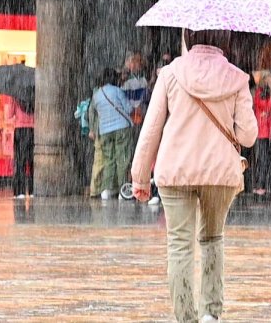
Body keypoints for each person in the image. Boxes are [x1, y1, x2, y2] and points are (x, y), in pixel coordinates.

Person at [131, 29, 256, 323]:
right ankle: (211, 313)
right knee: (212, 238)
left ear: (189, 35)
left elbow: (151, 129)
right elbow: (248, 136)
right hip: (220, 173)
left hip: (176, 170)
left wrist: (139, 177)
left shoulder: (170, 73)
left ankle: (185, 317)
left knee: (179, 243)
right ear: (224, 39)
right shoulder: (237, 78)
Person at [90, 68, 135, 201]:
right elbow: (128, 109)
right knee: (123, 159)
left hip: (105, 131)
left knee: (109, 160)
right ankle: (123, 189)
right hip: (122, 128)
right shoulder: (117, 91)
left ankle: (108, 189)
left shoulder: (96, 95)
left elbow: (94, 113)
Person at [250, 73, 271, 197]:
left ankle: (264, 184)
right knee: (262, 159)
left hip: (266, 130)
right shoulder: (260, 92)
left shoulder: (264, 92)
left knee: (265, 159)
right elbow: (266, 107)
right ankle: (260, 184)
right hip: (262, 131)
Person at [6, 94, 35, 199]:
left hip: (20, 130)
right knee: (32, 162)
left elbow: (9, 114)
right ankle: (32, 190)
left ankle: (19, 191)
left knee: (19, 162)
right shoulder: (34, 95)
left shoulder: (15, 95)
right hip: (33, 130)